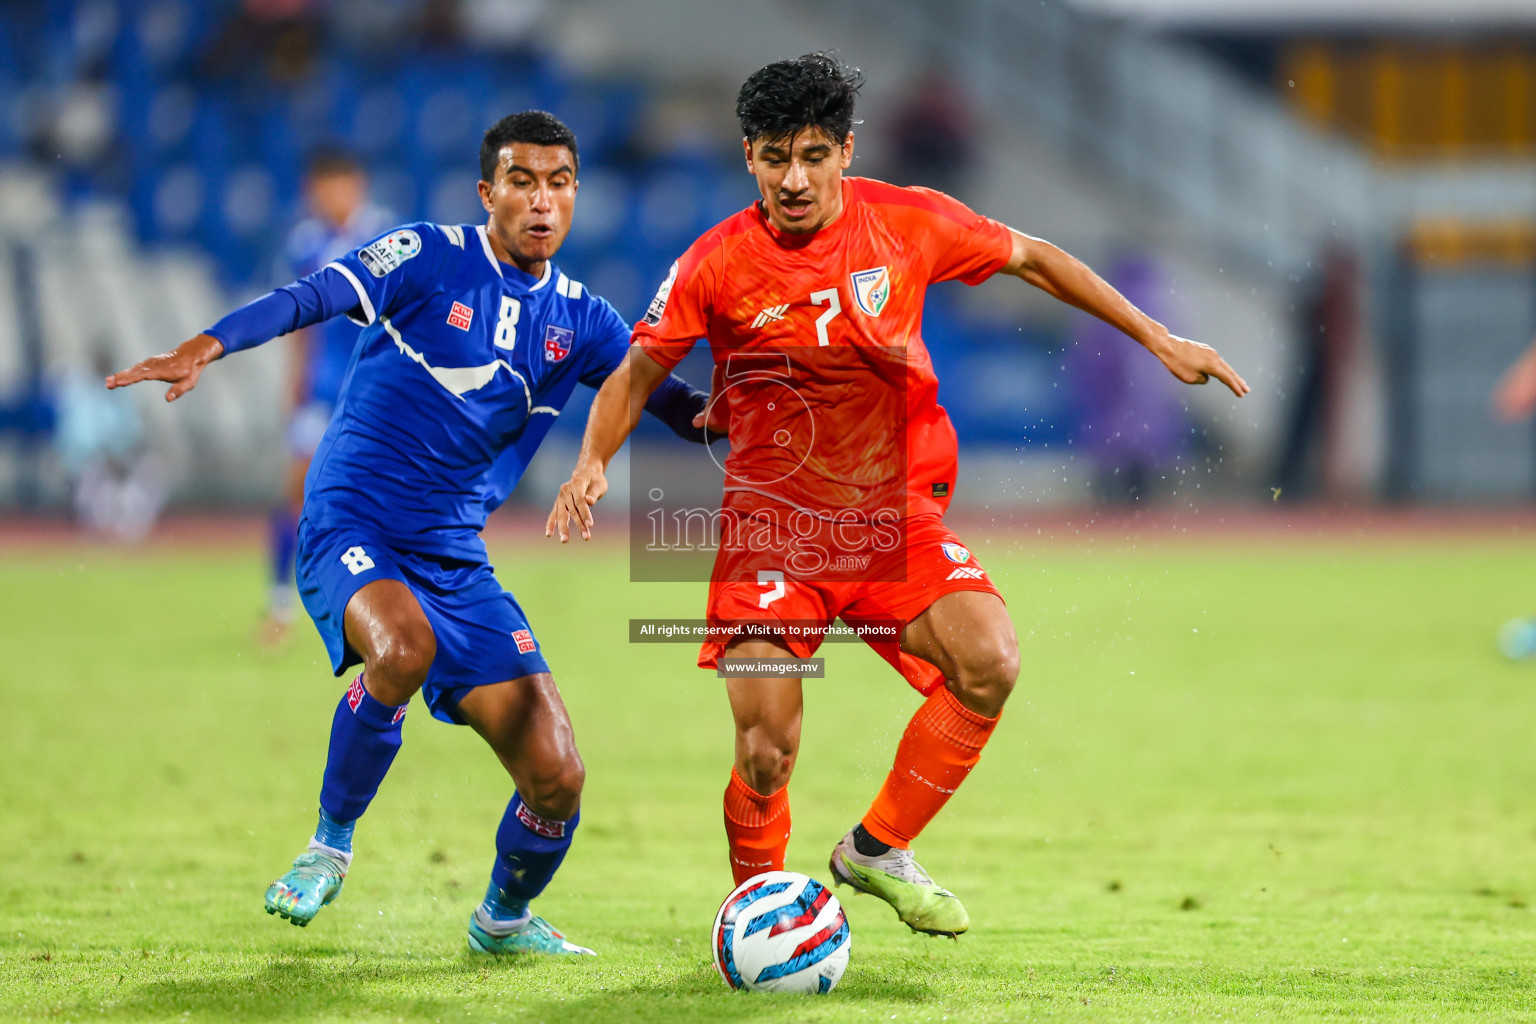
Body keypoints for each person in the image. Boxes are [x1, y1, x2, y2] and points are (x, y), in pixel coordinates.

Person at [548, 54, 1248, 938]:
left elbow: (1032, 257)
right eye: (772, 158)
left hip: (891, 519)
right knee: (767, 747)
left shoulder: (908, 222)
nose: (793, 179)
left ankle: (876, 850)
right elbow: (640, 366)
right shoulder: (715, 262)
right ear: (748, 156)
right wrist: (591, 462)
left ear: (847, 148)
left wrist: (1158, 338)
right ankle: (759, 922)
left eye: (811, 155)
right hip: (770, 532)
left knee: (989, 659)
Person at [107, 111, 709, 955]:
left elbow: (680, 408)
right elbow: (312, 295)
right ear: (487, 192)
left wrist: (783, 415)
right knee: (402, 648)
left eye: (559, 183)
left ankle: (501, 921)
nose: (542, 201)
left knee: (557, 777)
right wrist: (206, 345)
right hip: (352, 521)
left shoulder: (586, 319)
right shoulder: (429, 254)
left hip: (454, 556)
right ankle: (328, 845)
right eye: (522, 181)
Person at [260, 148, 392, 647]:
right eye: (320, 188)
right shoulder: (306, 243)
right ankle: (279, 603)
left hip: (374, 390)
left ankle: (383, 607)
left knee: (383, 502)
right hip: (322, 390)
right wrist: (293, 387)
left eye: (337, 185)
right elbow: (302, 326)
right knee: (297, 489)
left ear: (357, 185)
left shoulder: (387, 239)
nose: (328, 197)